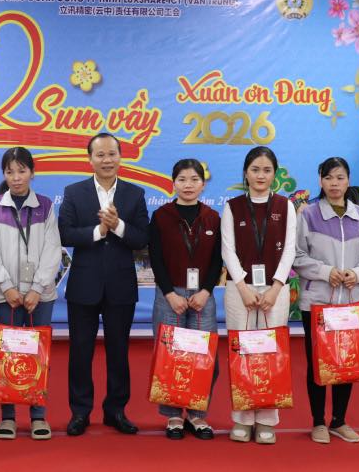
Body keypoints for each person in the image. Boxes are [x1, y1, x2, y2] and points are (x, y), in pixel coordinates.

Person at [59, 133, 149, 437]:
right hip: (84, 284)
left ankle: (116, 411)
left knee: (119, 351)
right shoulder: (74, 192)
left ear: (120, 157)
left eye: (112, 154)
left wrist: (119, 226)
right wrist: (99, 230)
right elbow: (65, 234)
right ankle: (80, 412)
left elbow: (142, 239)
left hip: (121, 285)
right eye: (100, 155)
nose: (107, 160)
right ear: (90, 159)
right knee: (80, 352)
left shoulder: (135, 194)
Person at [294, 157, 359, 445]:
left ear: (348, 180)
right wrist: (326, 272)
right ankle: (318, 421)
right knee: (317, 363)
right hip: (317, 302)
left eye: (340, 178)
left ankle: (339, 421)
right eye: (329, 178)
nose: (335, 184)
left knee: (346, 364)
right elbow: (297, 256)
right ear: (320, 180)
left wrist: (358, 273)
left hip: (350, 304)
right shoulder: (308, 215)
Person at [0, 147, 63, 440]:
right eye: (9, 172)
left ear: (32, 172)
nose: (16, 178)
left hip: (40, 296)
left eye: (21, 171)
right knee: (7, 352)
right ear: (3, 174)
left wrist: (36, 288)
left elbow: (53, 249)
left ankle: (37, 415)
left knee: (37, 353)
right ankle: (7, 416)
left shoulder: (45, 206)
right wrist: (6, 286)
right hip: (6, 295)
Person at [221, 146, 296, 445]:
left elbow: (290, 248)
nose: (260, 175)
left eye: (266, 170)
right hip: (240, 290)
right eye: (255, 170)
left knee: (269, 353)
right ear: (246, 173)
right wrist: (242, 286)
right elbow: (228, 249)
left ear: (274, 174)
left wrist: (277, 286)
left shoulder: (284, 206)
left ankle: (266, 418)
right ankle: (242, 417)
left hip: (275, 291)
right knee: (241, 353)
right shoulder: (233, 207)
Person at [148, 158, 222, 440]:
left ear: (203, 184)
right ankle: (173, 416)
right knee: (170, 356)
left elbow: (218, 260)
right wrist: (170, 294)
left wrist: (205, 291)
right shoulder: (161, 216)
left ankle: (197, 413)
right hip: (170, 295)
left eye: (194, 179)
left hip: (204, 296)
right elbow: (155, 257)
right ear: (173, 183)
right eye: (182, 179)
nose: (188, 185)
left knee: (205, 356)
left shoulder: (213, 218)